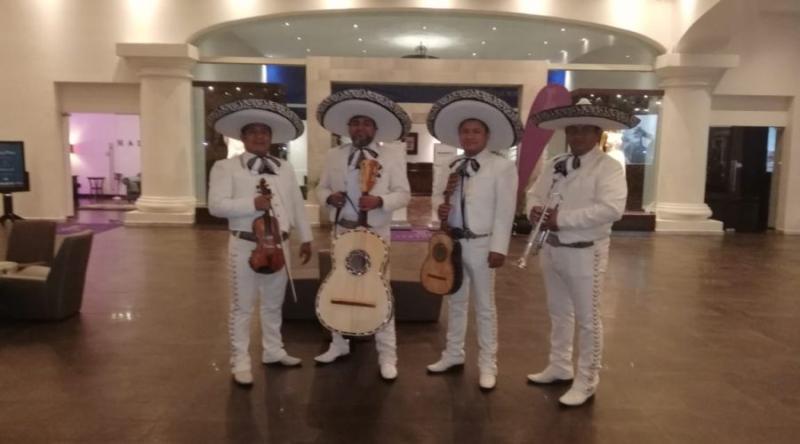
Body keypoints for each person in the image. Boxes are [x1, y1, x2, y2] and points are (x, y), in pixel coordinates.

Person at [525, 98, 637, 406]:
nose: (578, 136)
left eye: (585, 131)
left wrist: (562, 219)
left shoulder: (609, 167)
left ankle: (587, 380)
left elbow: (612, 209)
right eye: (573, 130)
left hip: (587, 252)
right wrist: (533, 210)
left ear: (597, 133)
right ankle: (559, 365)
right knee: (559, 312)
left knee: (588, 319)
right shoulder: (556, 162)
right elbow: (534, 192)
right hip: (552, 249)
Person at [207, 99, 313, 386]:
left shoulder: (285, 167)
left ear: (271, 136)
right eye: (252, 131)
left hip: (280, 246)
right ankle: (239, 360)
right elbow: (216, 206)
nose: (259, 136)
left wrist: (306, 237)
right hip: (246, 245)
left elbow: (296, 204)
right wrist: (251, 203)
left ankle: (273, 351)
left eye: (264, 131)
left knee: (273, 304)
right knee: (242, 306)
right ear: (242, 138)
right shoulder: (225, 167)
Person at [425, 89, 522, 390]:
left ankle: (488, 363)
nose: (469, 137)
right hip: (453, 244)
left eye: (475, 131)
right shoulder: (451, 166)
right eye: (465, 132)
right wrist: (439, 210)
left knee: (484, 306)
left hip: (482, 245)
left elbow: (506, 211)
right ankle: (453, 353)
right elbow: (435, 201)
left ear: (486, 135)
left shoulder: (501, 167)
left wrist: (499, 248)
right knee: (454, 300)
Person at [314, 89, 412, 380]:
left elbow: (404, 194)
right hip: (342, 231)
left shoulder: (392, 155)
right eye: (355, 123)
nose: (360, 128)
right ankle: (339, 343)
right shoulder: (334, 155)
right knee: (338, 285)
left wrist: (381, 201)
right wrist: (330, 198)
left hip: (376, 234)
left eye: (366, 123)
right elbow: (320, 189)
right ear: (348, 127)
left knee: (381, 288)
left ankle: (387, 354)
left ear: (375, 127)